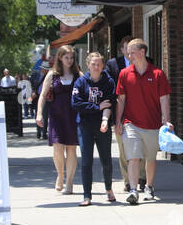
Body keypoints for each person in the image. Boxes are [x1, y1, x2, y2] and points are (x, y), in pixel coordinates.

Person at [115, 38, 171, 205]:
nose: (129, 55)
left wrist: (166, 121)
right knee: (133, 157)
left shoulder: (157, 74)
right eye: (128, 52)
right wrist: (118, 121)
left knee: (150, 158)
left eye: (132, 52)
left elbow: (164, 99)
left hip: (153, 124)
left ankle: (149, 186)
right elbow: (121, 99)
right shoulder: (124, 74)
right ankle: (133, 190)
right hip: (131, 123)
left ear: (142, 52)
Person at [71, 53, 118, 206]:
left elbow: (110, 103)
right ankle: (87, 196)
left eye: (99, 64)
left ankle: (109, 189)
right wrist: (97, 107)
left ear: (103, 65)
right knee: (86, 161)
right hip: (85, 126)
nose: (96, 67)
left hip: (102, 125)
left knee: (106, 161)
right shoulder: (81, 82)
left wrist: (104, 119)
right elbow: (76, 104)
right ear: (88, 65)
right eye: (93, 64)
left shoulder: (109, 82)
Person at [36, 46, 80, 193]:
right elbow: (42, 95)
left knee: (71, 148)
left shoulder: (78, 74)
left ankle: (69, 182)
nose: (69, 60)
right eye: (66, 57)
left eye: (71, 58)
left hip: (73, 114)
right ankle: (60, 175)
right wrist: (39, 114)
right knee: (58, 148)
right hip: (56, 114)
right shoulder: (52, 74)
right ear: (60, 58)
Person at [105, 35, 135, 193]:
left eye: (132, 47)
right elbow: (109, 87)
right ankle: (128, 181)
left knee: (139, 147)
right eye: (126, 47)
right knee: (124, 148)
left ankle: (141, 178)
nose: (130, 51)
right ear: (122, 49)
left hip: (140, 110)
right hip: (120, 112)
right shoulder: (112, 64)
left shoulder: (145, 62)